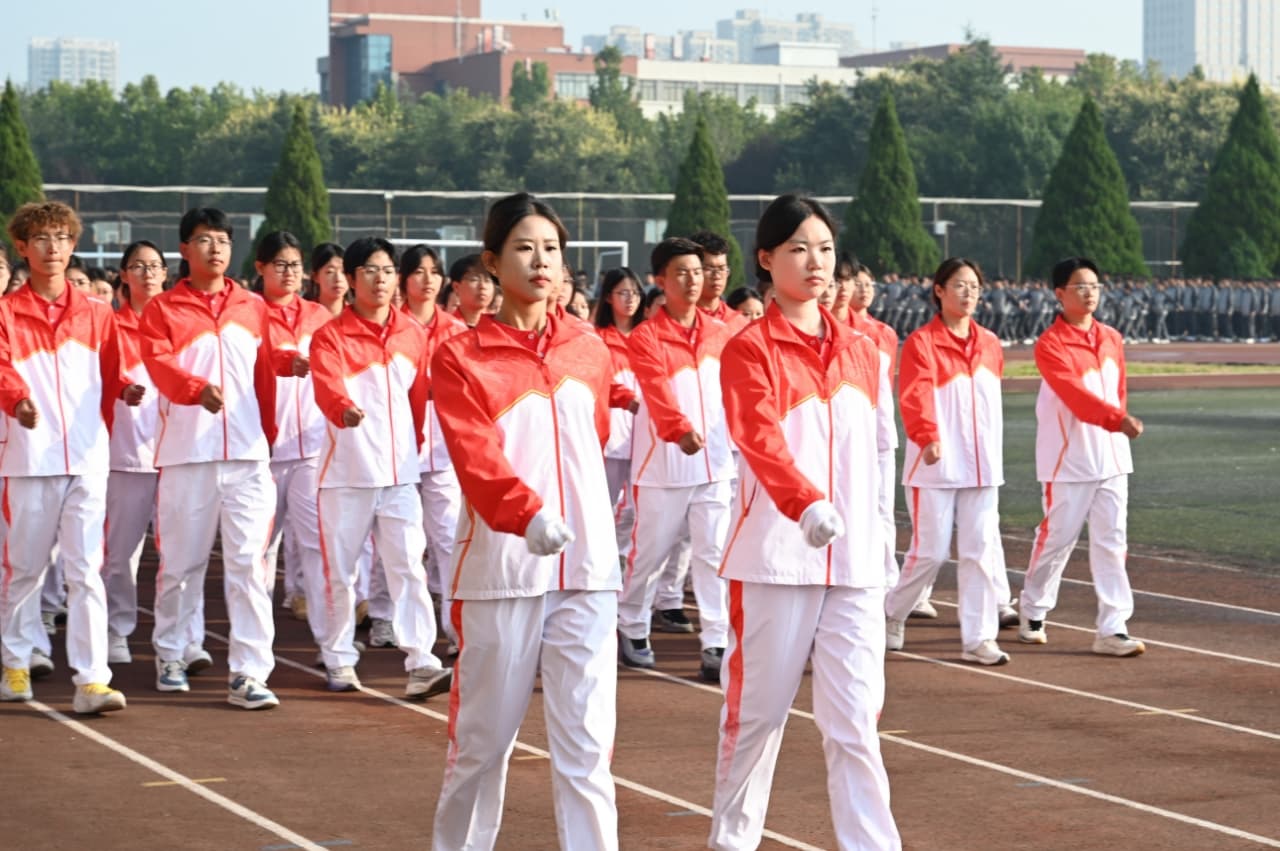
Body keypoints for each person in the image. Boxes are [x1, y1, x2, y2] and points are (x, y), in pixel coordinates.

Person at [710, 194, 899, 851]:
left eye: (824, 248)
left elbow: (880, 452)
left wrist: (881, 538)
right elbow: (758, 438)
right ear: (766, 259)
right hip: (776, 559)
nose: (815, 261)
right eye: (797, 248)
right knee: (758, 717)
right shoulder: (749, 350)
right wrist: (805, 503)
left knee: (855, 722)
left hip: (855, 565)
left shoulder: (863, 351)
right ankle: (732, 841)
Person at [432, 193, 620, 849]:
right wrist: (528, 513)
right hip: (503, 572)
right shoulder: (462, 356)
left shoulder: (589, 349)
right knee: (483, 744)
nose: (541, 261)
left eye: (551, 249)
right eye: (524, 248)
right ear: (491, 261)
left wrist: (577, 519)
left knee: (587, 746)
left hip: (587, 571)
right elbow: (474, 456)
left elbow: (595, 438)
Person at [0, 200, 143, 714]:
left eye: (61, 237)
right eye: (41, 238)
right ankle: (15, 661)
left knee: (86, 569)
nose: (52, 247)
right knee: (24, 569)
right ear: (22, 247)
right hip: (29, 459)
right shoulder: (6, 313)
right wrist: (18, 400)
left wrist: (125, 388)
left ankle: (92, 680)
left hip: (86, 457)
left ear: (73, 244)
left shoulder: (97, 314)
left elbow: (114, 369)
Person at [140, 207, 281, 709]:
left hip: (247, 456)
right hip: (188, 455)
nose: (215, 248)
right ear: (184, 249)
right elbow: (158, 365)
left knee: (249, 566)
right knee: (182, 564)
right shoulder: (163, 310)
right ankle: (172, 654)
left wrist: (266, 437)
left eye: (222, 239)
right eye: (204, 239)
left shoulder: (253, 307)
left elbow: (265, 376)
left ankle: (249, 672)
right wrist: (195, 389)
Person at [308, 237, 452, 697]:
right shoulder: (331, 336)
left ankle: (422, 660)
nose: (381, 279)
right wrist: (343, 410)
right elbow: (326, 387)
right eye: (370, 270)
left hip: (400, 476)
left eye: (388, 270)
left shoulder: (412, 334)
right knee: (341, 572)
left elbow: (418, 401)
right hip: (346, 476)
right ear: (352, 279)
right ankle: (338, 657)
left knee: (408, 566)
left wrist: (412, 452)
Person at [884, 257, 1013, 666]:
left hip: (983, 467)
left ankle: (979, 638)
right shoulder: (922, 343)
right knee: (931, 553)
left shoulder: (990, 343)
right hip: (935, 466)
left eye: (974, 286)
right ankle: (892, 613)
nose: (968, 292)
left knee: (979, 552)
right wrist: (927, 436)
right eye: (959, 285)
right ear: (939, 291)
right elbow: (914, 395)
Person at [1019, 257, 1146, 657]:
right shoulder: (1051, 345)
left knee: (1112, 542)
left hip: (1112, 459)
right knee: (1058, 539)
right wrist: (1116, 420)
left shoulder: (1111, 338)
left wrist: (1118, 423)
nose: (1090, 293)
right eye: (1080, 286)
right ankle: (1033, 608)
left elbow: (1118, 391)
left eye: (1094, 286)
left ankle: (1113, 627)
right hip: (1069, 460)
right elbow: (1075, 396)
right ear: (1060, 294)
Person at [620, 237, 734, 682]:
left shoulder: (721, 333)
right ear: (660, 280)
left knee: (713, 553)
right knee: (650, 554)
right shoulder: (647, 337)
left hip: (714, 465)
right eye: (681, 273)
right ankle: (632, 624)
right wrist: (678, 429)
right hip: (663, 466)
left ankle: (716, 641)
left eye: (697, 272)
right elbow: (655, 389)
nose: (692, 280)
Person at [102, 240, 173, 666]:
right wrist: (120, 390)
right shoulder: (109, 328)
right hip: (126, 457)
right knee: (121, 555)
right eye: (138, 266)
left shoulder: (181, 327)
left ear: (166, 273)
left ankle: (178, 637)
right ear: (124, 275)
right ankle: (116, 629)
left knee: (179, 554)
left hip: (177, 457)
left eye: (154, 266)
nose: (147, 273)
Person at [396, 243, 467, 653]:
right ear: (403, 279)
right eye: (419, 272)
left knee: (447, 540)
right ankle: (385, 615)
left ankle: (456, 629)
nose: (428, 280)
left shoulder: (456, 331)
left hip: (442, 450)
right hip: (398, 450)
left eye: (434, 272)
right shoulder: (392, 327)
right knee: (400, 545)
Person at [259, 232, 331, 631]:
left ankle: (328, 635)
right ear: (261, 268)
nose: (289, 273)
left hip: (311, 449)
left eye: (295, 265)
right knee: (262, 547)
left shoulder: (319, 316)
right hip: (264, 452)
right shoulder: (250, 314)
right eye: (280, 264)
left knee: (317, 542)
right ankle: (256, 636)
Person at [837, 256, 906, 600]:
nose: (858, 289)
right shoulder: (830, 331)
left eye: (864, 283)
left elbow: (884, 387)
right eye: (848, 281)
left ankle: (887, 581)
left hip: (878, 433)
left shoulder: (882, 334)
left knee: (881, 509)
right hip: (844, 436)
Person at [595, 268, 644, 569]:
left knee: (634, 509)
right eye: (623, 293)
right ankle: (598, 558)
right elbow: (600, 383)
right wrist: (626, 399)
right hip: (611, 436)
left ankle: (620, 559)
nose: (630, 299)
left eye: (635, 293)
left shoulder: (647, 337)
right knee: (603, 503)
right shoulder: (597, 339)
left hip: (644, 437)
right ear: (608, 297)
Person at [690, 230, 748, 334]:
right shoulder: (680, 320)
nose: (716, 276)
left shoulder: (739, 324)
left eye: (721, 268)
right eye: (709, 268)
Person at [449, 253, 495, 327]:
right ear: (456, 287)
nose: (483, 286)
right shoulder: (446, 327)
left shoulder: (502, 326)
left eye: (488, 280)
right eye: (474, 280)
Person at [310, 242, 349, 317]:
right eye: (330, 272)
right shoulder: (304, 316)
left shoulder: (358, 315)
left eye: (343, 272)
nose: (338, 279)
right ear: (315, 276)